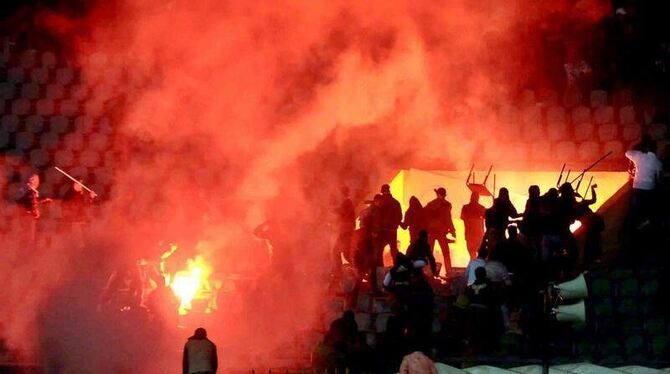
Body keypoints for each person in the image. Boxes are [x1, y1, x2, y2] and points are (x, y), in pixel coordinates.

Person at [625, 135, 662, 227]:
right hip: (649, 187)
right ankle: (646, 223)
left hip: (637, 186)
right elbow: (658, 174)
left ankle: (634, 226)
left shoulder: (638, 155)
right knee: (647, 207)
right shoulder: (656, 161)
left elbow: (627, 153)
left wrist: (636, 142)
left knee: (635, 208)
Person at [423, 187, 456, 273]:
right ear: (444, 195)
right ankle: (449, 272)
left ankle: (427, 271)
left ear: (437, 194)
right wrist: (453, 231)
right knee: (446, 253)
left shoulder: (430, 204)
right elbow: (448, 218)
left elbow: (424, 215)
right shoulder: (446, 205)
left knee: (429, 253)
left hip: (431, 232)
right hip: (441, 232)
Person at [374, 184, 403, 263]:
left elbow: (376, 216)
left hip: (382, 231)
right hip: (392, 230)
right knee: (394, 250)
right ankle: (397, 268)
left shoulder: (379, 203)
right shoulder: (396, 202)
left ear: (382, 191)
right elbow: (400, 216)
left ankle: (380, 269)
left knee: (379, 251)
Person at [333, 186, 356, 270]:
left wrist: (335, 210)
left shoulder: (347, 203)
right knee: (345, 253)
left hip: (346, 231)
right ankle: (355, 269)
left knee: (337, 251)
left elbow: (344, 213)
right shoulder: (348, 203)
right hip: (346, 231)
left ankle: (339, 271)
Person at [460, 192, 486, 260]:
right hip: (478, 234)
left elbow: (462, 217)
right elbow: (486, 217)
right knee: (479, 251)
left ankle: (474, 265)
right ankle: (478, 265)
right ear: (478, 198)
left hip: (470, 233)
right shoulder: (481, 208)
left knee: (472, 253)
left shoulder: (465, 207)